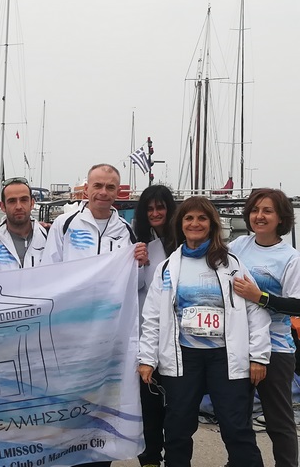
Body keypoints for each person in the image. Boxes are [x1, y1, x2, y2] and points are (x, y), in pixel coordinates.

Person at [138, 196, 271, 467]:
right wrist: (147, 359)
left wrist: (259, 356)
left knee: (236, 427)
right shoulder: (167, 268)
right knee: (177, 427)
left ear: (212, 224)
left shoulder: (232, 265)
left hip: (225, 357)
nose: (195, 223)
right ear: (180, 224)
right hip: (183, 358)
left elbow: (255, 312)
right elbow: (152, 318)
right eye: (189, 218)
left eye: (202, 218)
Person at [42, 163, 147, 467]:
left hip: (109, 336)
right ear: (86, 189)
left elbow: (136, 285)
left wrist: (141, 264)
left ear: (118, 192)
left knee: (104, 403)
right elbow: (48, 274)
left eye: (110, 187)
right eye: (97, 186)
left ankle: (100, 458)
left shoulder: (126, 231)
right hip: (71, 335)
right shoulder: (65, 224)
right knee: (70, 402)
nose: (103, 192)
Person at [229, 188, 300, 467]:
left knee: (278, 421)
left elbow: (297, 305)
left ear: (281, 217)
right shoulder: (238, 245)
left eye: (267, 211)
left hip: (276, 350)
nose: (259, 216)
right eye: (255, 210)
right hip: (238, 344)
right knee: (236, 418)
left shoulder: (291, 257)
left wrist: (260, 297)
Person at [133, 185, 177, 467]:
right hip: (148, 340)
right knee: (148, 407)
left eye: (160, 207)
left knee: (177, 411)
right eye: (149, 209)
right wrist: (139, 264)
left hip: (179, 343)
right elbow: (137, 288)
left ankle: (175, 459)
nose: (155, 213)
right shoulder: (143, 246)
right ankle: (150, 459)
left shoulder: (185, 246)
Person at [0, 176, 47, 272]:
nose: (18, 206)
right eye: (12, 201)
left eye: (24, 200)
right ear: (2, 206)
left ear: (32, 203)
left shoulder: (48, 237)